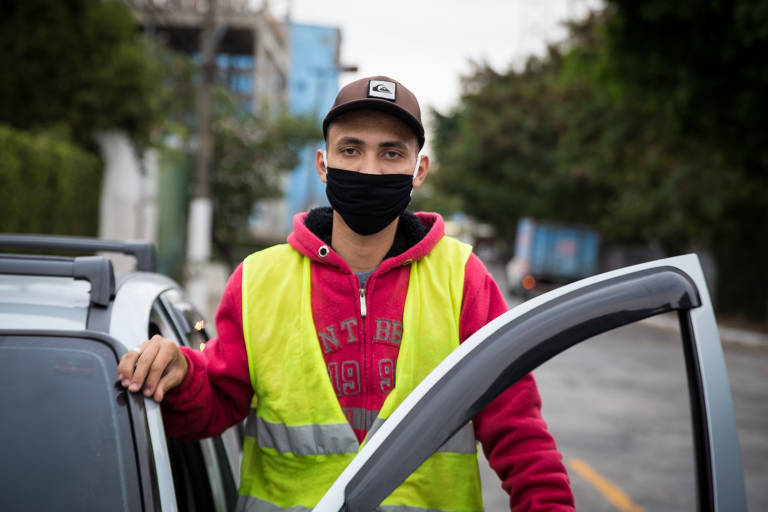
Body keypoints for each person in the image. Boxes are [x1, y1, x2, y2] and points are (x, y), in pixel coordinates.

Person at [118, 75, 575, 511]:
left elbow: (518, 430)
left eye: (391, 154)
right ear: (323, 164)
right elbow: (214, 405)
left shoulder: (463, 280)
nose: (369, 169)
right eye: (351, 149)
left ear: (419, 171)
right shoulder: (259, 280)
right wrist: (179, 371)